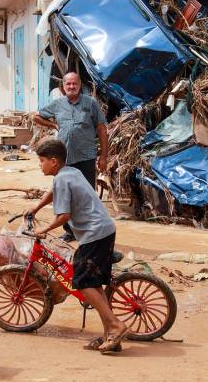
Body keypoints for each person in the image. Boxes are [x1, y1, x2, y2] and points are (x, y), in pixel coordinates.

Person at [25, 139, 128, 353]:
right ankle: (109, 334)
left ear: (53, 162)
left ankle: (116, 325)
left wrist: (43, 230)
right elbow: (53, 192)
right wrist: (35, 208)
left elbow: (64, 216)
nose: (40, 165)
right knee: (94, 284)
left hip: (95, 234)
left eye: (42, 161)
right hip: (104, 230)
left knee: (81, 282)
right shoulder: (69, 172)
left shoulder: (63, 180)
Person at [33, 72, 108, 242]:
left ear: (80, 85)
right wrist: (53, 124)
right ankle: (70, 231)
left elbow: (102, 130)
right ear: (64, 87)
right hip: (64, 160)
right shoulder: (57, 104)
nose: (72, 87)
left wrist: (103, 156)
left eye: (75, 84)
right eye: (68, 84)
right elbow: (36, 116)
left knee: (86, 195)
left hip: (86, 157)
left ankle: (90, 230)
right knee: (63, 195)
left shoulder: (91, 103)